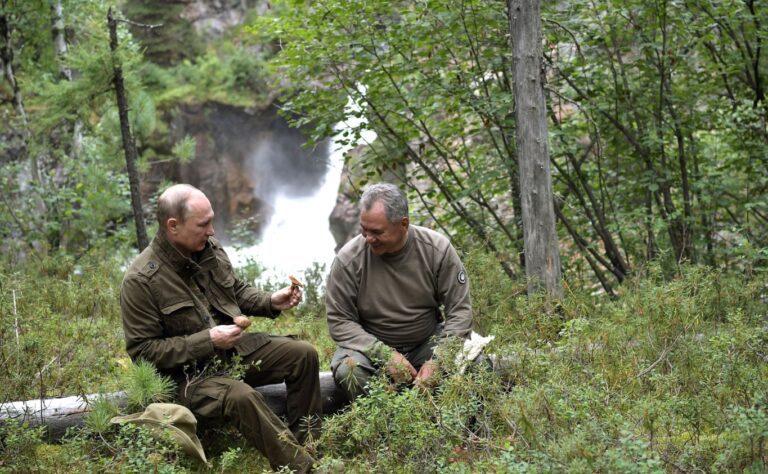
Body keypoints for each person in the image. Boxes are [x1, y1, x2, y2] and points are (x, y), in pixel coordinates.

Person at [120, 184, 320, 473]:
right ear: (173, 226)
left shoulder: (207, 248)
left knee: (303, 354)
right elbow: (143, 352)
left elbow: (233, 291)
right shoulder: (140, 280)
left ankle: (306, 446)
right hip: (188, 378)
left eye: (211, 221)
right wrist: (209, 340)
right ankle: (303, 469)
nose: (212, 230)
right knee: (242, 396)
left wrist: (270, 301)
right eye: (203, 224)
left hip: (231, 354)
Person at [326, 182, 473, 400]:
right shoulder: (348, 259)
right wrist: (384, 354)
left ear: (403, 224)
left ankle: (442, 417)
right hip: (370, 349)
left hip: (426, 343)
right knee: (349, 371)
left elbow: (460, 311)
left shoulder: (437, 249)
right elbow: (339, 320)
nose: (368, 238)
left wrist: (439, 360)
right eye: (364, 229)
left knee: (475, 362)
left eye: (377, 232)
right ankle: (384, 419)